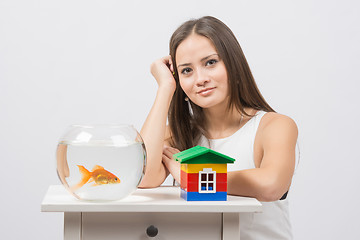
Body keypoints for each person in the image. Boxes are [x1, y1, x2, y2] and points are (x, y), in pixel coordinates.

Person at [138, 16, 298, 239]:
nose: (200, 79)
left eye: (210, 62)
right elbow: (142, 177)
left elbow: (271, 185)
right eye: (186, 71)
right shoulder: (177, 134)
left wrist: (192, 179)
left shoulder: (274, 126)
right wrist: (165, 88)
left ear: (233, 63)